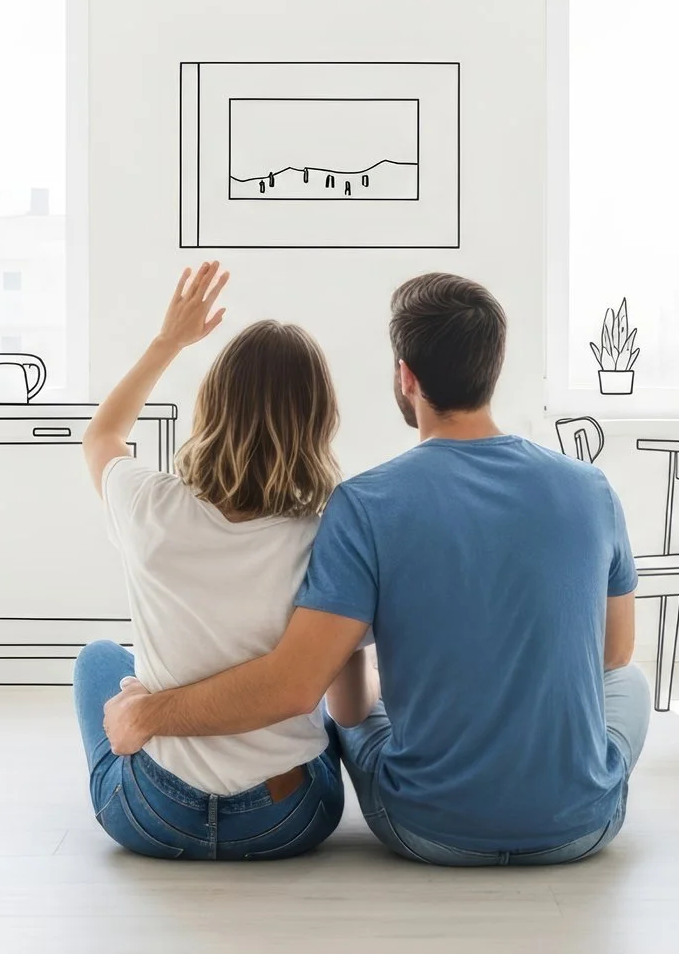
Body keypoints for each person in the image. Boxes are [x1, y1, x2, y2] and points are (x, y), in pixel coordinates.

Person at [106, 272, 648, 866]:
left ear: (406, 376)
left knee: (347, 709)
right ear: (492, 371)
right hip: (582, 829)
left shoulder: (365, 504)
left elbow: (310, 693)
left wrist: (148, 712)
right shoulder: (591, 488)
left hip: (424, 829)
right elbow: (613, 652)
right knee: (632, 683)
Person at [72, 261, 348, 860]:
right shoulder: (327, 537)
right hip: (288, 820)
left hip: (155, 815)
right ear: (319, 420)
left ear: (212, 406)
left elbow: (101, 436)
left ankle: (149, 722)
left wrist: (167, 342)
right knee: (325, 664)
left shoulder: (146, 502)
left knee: (99, 658)